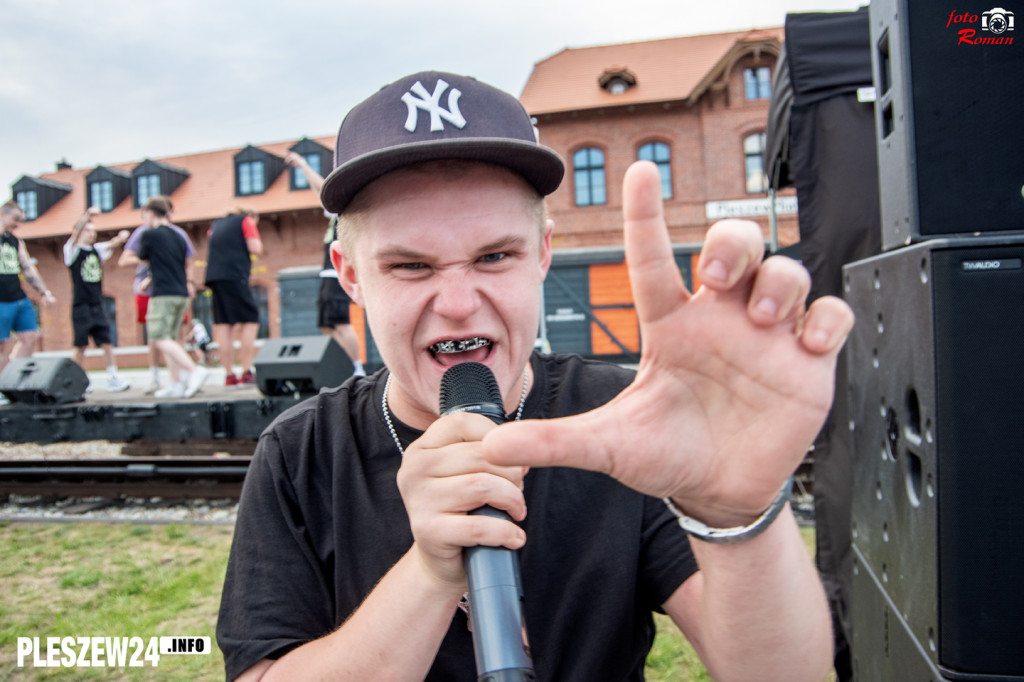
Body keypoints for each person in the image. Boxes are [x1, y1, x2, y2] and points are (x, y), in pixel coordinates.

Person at [217, 72, 854, 681]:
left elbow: (781, 673)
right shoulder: (298, 454)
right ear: (350, 274)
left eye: (494, 256)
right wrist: (430, 574)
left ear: (542, 253)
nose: (459, 302)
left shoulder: (627, 419)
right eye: (411, 266)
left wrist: (735, 514)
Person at [284, 152, 364, 376]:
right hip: (327, 272)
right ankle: (338, 365)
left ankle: (357, 367)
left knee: (340, 322)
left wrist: (303, 164)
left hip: (336, 273)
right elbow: (318, 193)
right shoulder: (335, 214)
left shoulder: (347, 208)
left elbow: (322, 190)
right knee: (326, 325)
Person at [135, 196, 208, 399]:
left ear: (150, 213)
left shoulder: (149, 235)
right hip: (180, 294)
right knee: (172, 339)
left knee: (158, 337)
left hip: (163, 294)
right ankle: (176, 384)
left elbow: (142, 258)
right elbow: (176, 263)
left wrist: (150, 278)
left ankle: (194, 371)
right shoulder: (178, 237)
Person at [63, 206, 132, 392]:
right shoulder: (72, 251)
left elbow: (111, 244)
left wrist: (122, 237)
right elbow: (75, 233)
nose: (91, 234)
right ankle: (75, 379)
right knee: (81, 345)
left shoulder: (97, 251)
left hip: (97, 304)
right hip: (81, 305)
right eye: (88, 230)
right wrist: (86, 216)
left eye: (93, 231)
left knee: (107, 342)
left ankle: (113, 376)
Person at [119, 202, 184, 394]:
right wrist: (150, 269)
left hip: (167, 288)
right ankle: (161, 378)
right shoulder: (144, 232)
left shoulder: (176, 234)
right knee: (155, 335)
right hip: (151, 289)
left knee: (167, 335)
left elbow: (181, 261)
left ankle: (184, 375)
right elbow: (125, 259)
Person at [204, 206, 263, 387]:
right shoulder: (246, 220)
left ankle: (229, 375)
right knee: (250, 320)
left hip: (214, 278)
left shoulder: (216, 224)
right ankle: (246, 371)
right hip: (235, 276)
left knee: (224, 325)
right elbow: (255, 248)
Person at [0, 200, 57, 381]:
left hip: (18, 297)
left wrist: (43, 292)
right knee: (4, 345)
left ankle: (13, 380)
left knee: (31, 337)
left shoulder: (15, 241)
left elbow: (27, 268)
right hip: (1, 301)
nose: (18, 224)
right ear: (2, 215)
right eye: (15, 218)